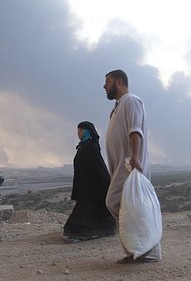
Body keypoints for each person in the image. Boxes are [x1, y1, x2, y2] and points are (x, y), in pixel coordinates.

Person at [103, 69, 162, 264]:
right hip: (120, 165)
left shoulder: (131, 101)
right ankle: (138, 249)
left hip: (129, 164)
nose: (105, 86)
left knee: (116, 202)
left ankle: (145, 249)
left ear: (119, 82)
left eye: (108, 81)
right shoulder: (117, 107)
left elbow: (135, 131)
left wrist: (135, 157)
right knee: (131, 207)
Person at [63, 121, 116, 242]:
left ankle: (81, 232)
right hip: (85, 188)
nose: (78, 132)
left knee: (86, 212)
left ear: (88, 132)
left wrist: (106, 184)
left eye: (81, 130)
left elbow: (99, 167)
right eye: (78, 130)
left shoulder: (91, 147)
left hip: (94, 188)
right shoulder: (83, 147)